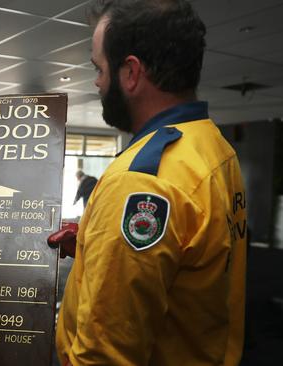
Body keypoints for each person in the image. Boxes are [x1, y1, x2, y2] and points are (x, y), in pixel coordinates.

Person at [47, 1, 248, 365]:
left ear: (131, 72)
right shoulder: (214, 147)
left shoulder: (140, 182)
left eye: (99, 68)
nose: (96, 81)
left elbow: (106, 356)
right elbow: (194, 253)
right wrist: (98, 244)